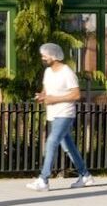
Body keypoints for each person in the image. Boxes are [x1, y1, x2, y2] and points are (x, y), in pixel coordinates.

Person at [26, 43, 92, 192]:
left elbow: (76, 95)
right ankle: (85, 175)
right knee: (68, 146)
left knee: (51, 142)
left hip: (65, 113)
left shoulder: (67, 72)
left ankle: (44, 179)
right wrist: (42, 96)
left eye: (45, 55)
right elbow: (46, 91)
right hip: (53, 113)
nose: (42, 58)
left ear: (54, 56)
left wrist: (54, 99)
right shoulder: (48, 72)